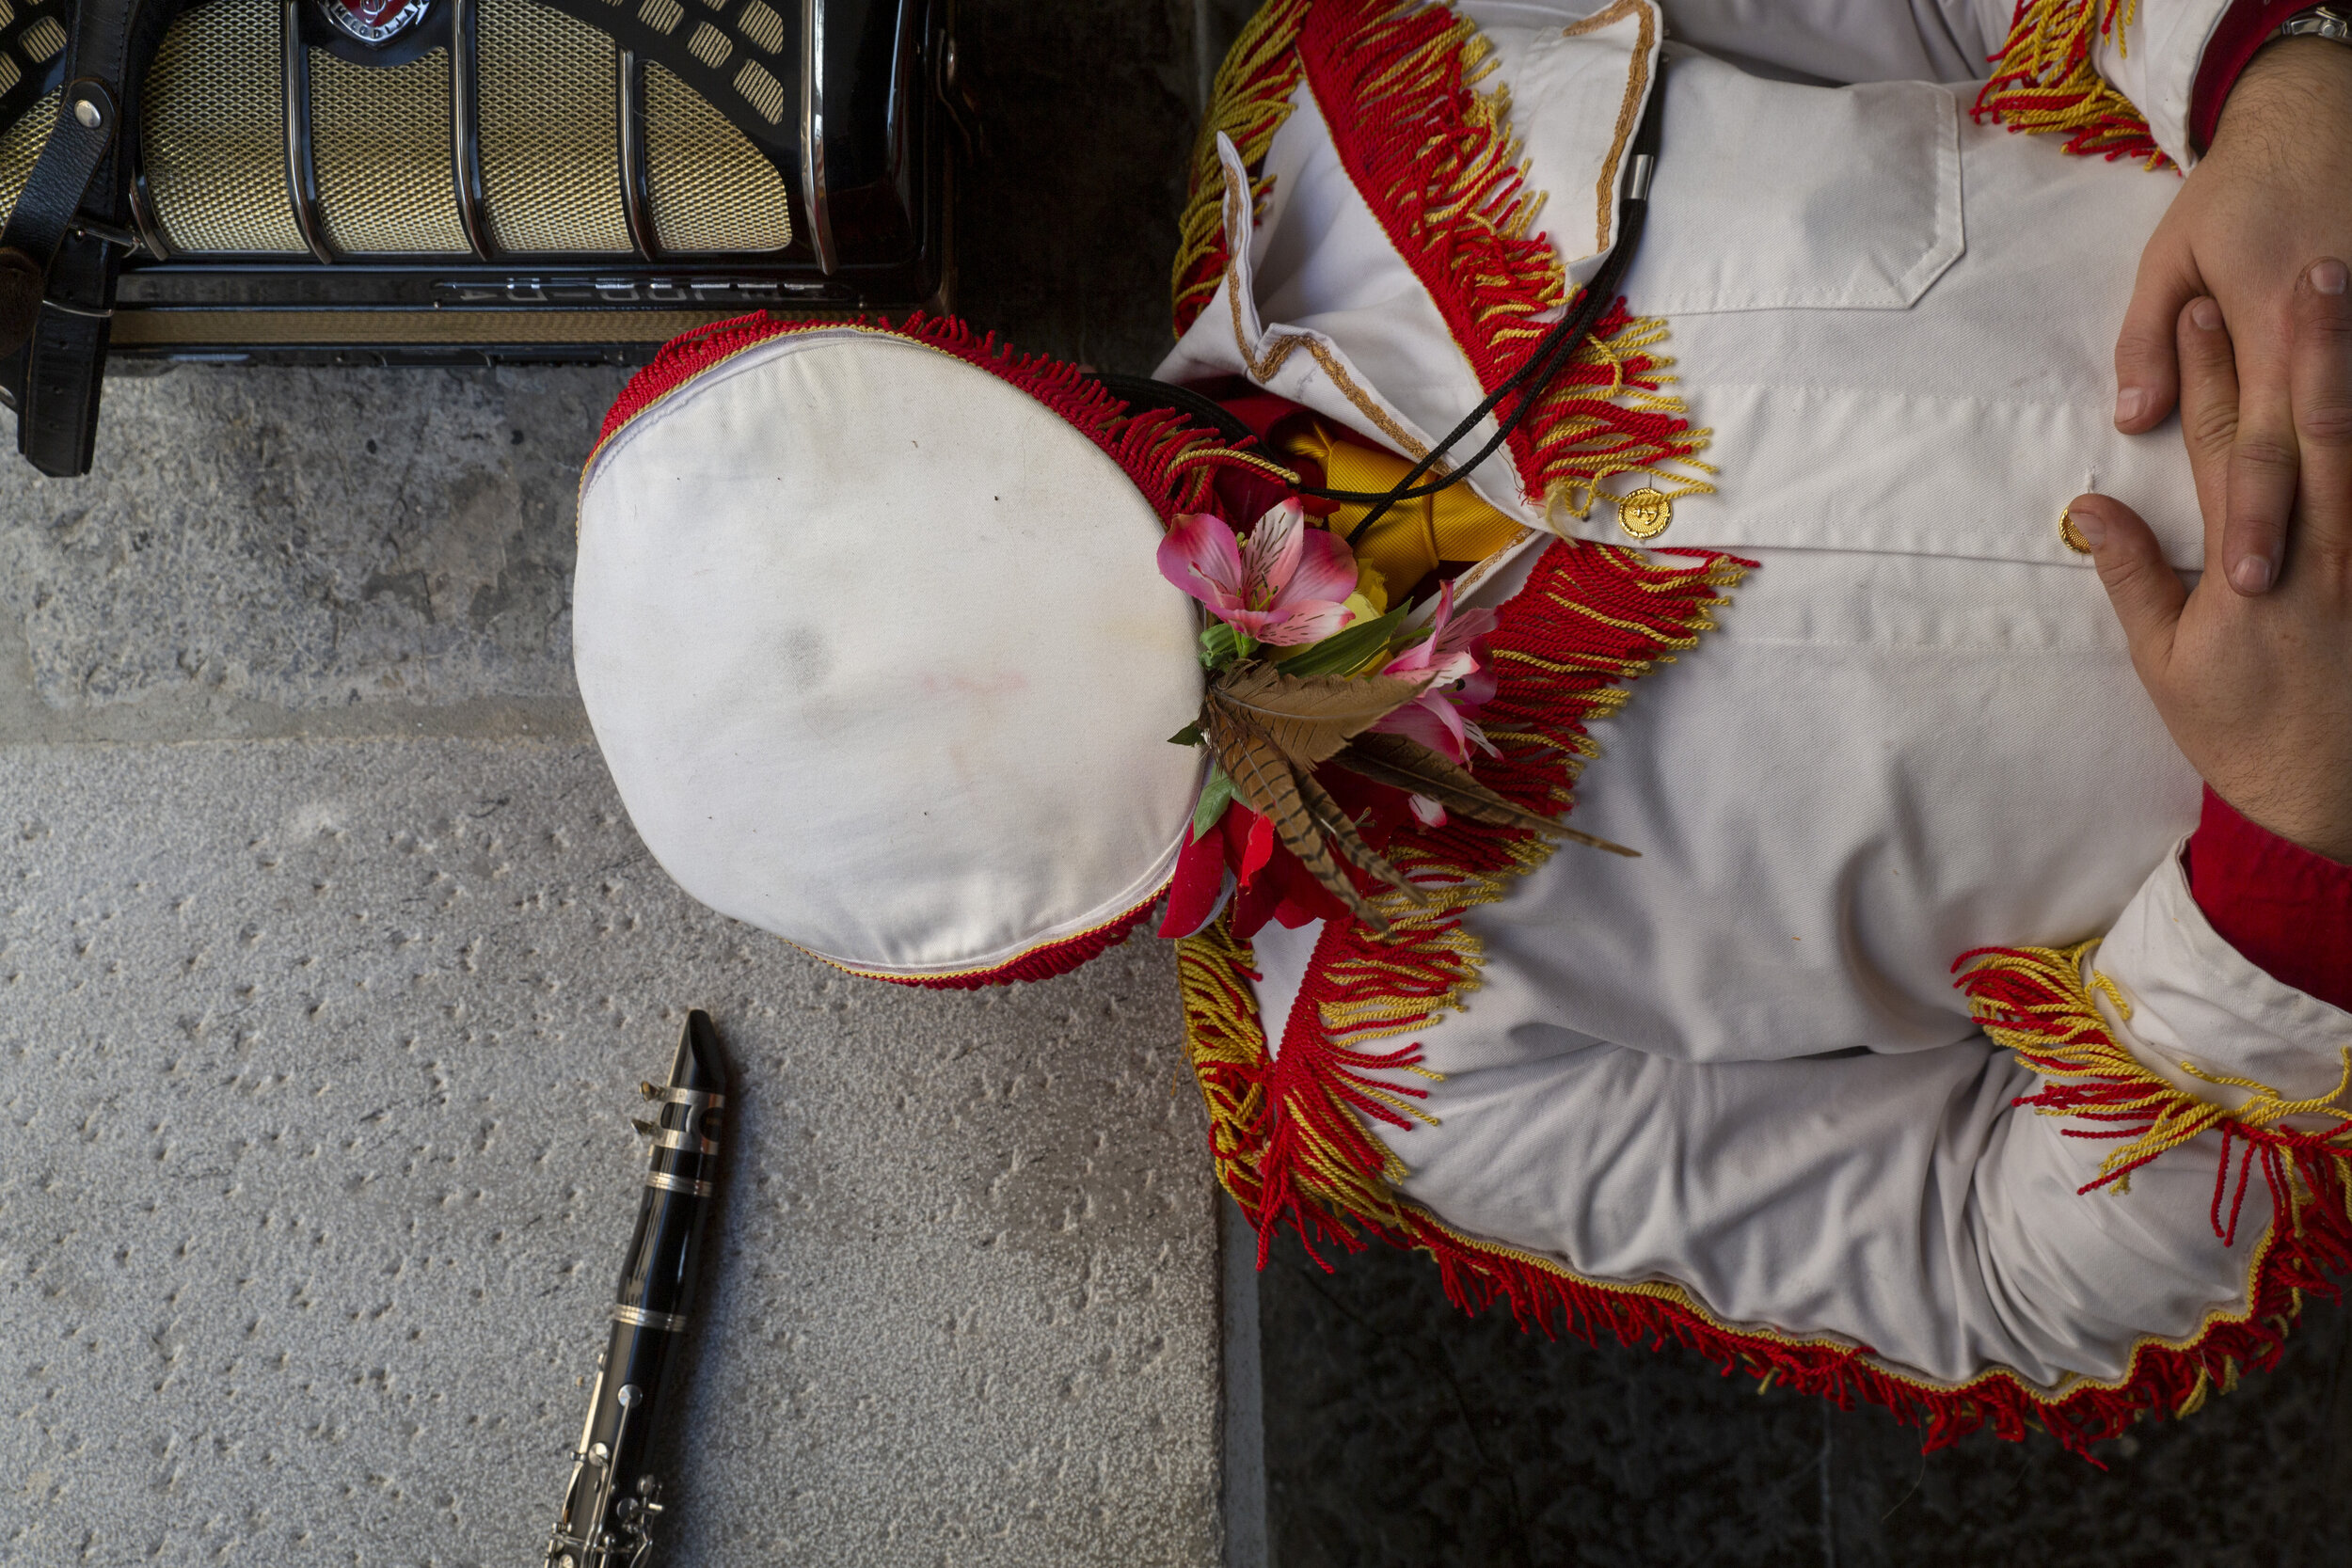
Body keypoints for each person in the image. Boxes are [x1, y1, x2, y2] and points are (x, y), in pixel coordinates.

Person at [568, 0, 2352, 1456]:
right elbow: (1995, 1271)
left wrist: (2266, 76)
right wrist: (2284, 865)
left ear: (1020, 402)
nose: (1274, 641)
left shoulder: (1386, 93)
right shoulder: (1396, 1074)